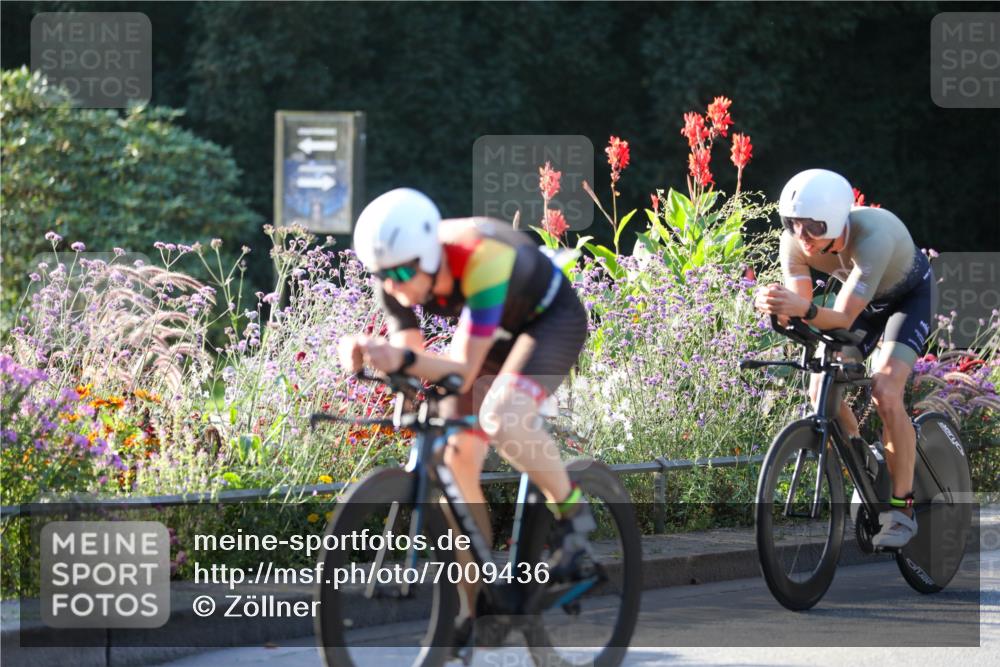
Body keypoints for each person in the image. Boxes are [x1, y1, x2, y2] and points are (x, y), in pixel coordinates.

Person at [337, 188, 596, 643]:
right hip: (492, 327)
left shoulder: (481, 258)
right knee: (455, 463)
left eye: (401, 273)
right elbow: (412, 359)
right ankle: (481, 606)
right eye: (382, 277)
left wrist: (396, 358)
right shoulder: (395, 271)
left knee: (503, 415)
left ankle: (574, 514)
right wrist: (374, 355)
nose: (393, 287)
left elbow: (461, 369)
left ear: (428, 255)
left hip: (547, 321)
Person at [755, 168, 934, 549]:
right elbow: (803, 309)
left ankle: (903, 509)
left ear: (836, 220)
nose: (802, 237)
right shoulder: (794, 244)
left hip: (906, 301)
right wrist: (778, 306)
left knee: (885, 391)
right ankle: (863, 459)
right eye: (793, 224)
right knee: (820, 384)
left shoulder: (873, 237)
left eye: (813, 227)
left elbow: (841, 318)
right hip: (863, 305)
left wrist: (800, 307)